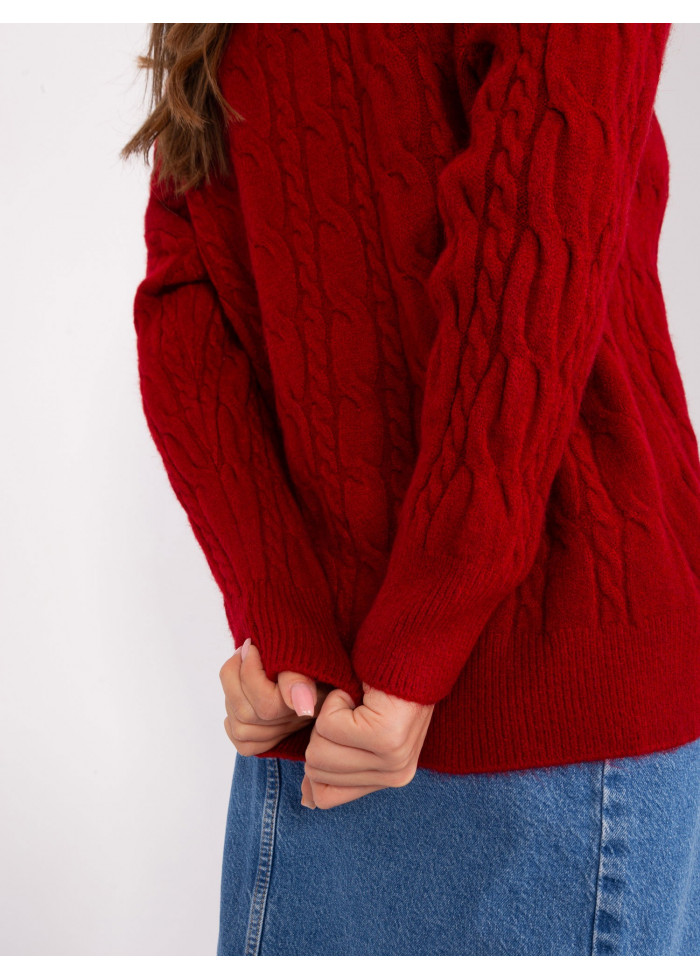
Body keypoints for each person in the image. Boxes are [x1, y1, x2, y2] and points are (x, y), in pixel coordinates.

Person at [121, 23, 700, 955]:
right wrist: (289, 629)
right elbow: (186, 299)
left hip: (508, 710)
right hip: (363, 717)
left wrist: (317, 634)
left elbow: (532, 230)